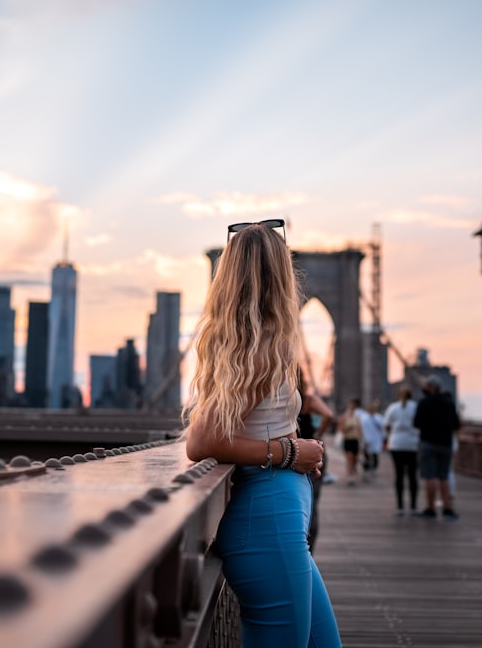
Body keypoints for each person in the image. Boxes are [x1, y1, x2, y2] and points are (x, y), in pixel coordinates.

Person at [184, 220, 342, 647]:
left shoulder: (254, 342)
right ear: (280, 273)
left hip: (278, 520)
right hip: (267, 522)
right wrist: (290, 453)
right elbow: (202, 441)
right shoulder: (263, 349)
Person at [413, 375, 462, 520]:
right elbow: (456, 424)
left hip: (428, 443)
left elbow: (416, 423)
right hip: (445, 443)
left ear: (431, 387)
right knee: (444, 476)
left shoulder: (424, 402)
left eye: (426, 385)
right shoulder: (449, 403)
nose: (424, 387)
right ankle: (447, 509)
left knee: (429, 477)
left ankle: (430, 509)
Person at [297, 371, 335, 552]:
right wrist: (317, 434)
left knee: (299, 502)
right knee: (312, 501)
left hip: (293, 455)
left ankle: (299, 544)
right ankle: (308, 549)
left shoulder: (284, 400)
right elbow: (328, 414)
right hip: (312, 452)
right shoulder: (307, 400)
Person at [383, 386, 419, 516]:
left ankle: (400, 506)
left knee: (399, 475)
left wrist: (391, 435)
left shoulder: (393, 408)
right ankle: (414, 506)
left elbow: (386, 425)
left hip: (396, 444)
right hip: (412, 444)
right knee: (412, 475)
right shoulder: (416, 407)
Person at [339, 398, 364, 486]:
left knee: (355, 459)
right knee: (349, 457)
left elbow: (360, 429)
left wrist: (362, 441)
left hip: (355, 440)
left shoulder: (357, 417)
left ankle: (353, 471)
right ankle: (350, 476)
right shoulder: (344, 416)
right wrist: (348, 428)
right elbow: (341, 429)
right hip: (347, 439)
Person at [361, 400, 384, 481]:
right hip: (370, 439)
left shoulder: (377, 417)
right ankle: (369, 470)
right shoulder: (365, 417)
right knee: (370, 456)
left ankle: (370, 470)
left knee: (372, 456)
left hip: (372, 440)